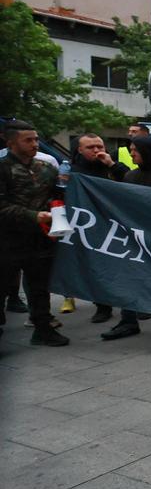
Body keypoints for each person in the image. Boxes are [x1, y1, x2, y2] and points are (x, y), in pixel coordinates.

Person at [102, 135, 151, 340]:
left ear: (146, 151)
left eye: (135, 149)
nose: (131, 153)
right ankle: (128, 321)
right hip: (134, 236)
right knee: (129, 278)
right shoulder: (130, 176)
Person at [0, 120, 68, 346]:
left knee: (39, 286)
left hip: (40, 239)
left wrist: (57, 206)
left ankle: (43, 328)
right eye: (28, 140)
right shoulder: (3, 169)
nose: (34, 144)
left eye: (36, 139)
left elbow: (56, 194)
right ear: (10, 143)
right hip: (7, 239)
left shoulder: (46, 168)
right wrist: (34, 215)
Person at [71, 133, 130, 323]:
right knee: (96, 268)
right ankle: (102, 307)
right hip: (90, 226)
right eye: (91, 147)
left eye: (100, 146)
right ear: (80, 150)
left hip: (115, 223)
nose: (97, 151)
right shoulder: (73, 171)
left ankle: (130, 307)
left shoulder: (110, 165)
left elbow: (131, 180)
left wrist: (111, 164)